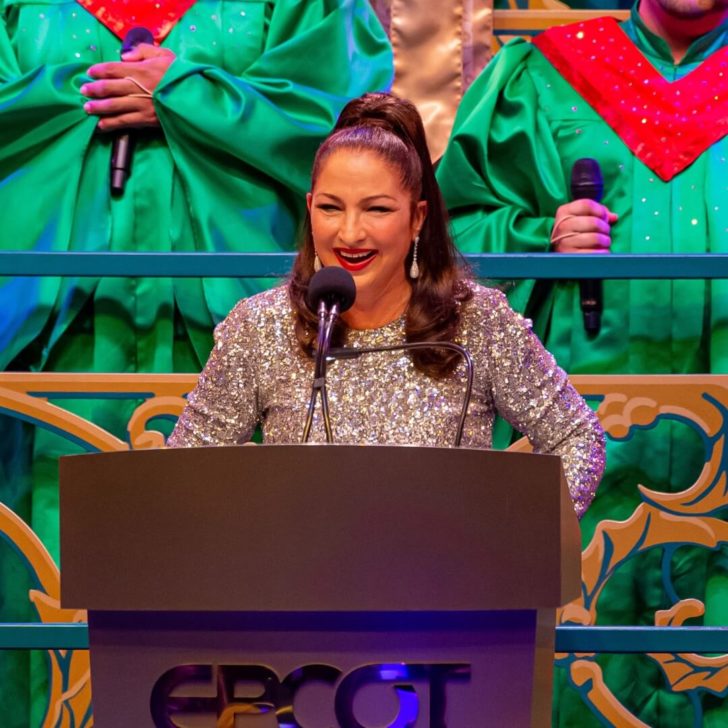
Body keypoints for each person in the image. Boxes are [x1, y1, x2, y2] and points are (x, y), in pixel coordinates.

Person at [0, 2, 392, 725]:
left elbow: (346, 129)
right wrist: (92, 87)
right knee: (45, 581)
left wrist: (189, 94)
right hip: (52, 345)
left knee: (232, 574)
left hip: (228, 339)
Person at [435, 1, 727, 725]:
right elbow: (446, 231)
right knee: (574, 655)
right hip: (584, 421)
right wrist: (535, 235)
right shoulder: (542, 73)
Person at [168, 92, 606, 521]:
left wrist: (509, 543)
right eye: (330, 208)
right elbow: (185, 471)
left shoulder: (478, 320)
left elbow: (578, 437)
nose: (350, 233)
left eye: (376, 209)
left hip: (445, 585)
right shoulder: (260, 326)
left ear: (417, 218)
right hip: (298, 585)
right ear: (309, 208)